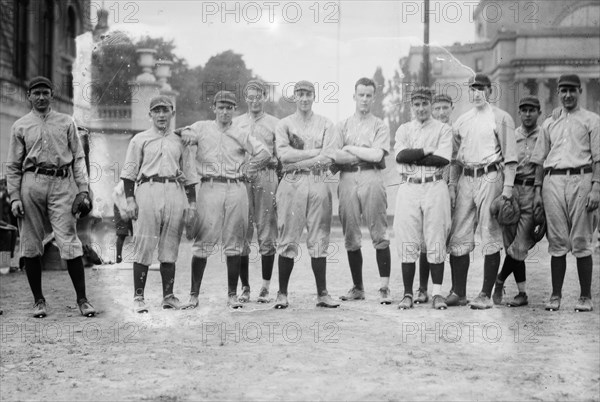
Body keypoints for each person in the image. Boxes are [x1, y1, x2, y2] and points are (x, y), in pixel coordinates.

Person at [6, 76, 95, 318]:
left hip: (61, 182)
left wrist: (83, 190)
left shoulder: (66, 122)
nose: (42, 97)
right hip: (31, 182)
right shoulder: (20, 126)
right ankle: (39, 301)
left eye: (46, 92)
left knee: (69, 240)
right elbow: (13, 165)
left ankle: (83, 300)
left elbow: (78, 158)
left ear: (52, 95)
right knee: (31, 243)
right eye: (37, 93)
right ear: (29, 97)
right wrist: (14, 196)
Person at [179, 90, 270, 309]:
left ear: (234, 110)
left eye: (229, 108)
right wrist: (185, 133)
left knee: (234, 243)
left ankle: (231, 294)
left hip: (236, 186)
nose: (225, 112)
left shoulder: (240, 132)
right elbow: (180, 133)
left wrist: (251, 167)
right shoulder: (201, 127)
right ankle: (194, 295)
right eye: (221, 107)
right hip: (210, 187)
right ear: (214, 108)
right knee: (203, 241)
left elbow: (264, 152)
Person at [121, 95, 198, 313]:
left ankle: (168, 296)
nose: (162, 115)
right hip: (148, 188)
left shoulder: (179, 141)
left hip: (174, 189)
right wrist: (129, 199)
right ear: (150, 114)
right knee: (144, 244)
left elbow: (190, 176)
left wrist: (192, 204)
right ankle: (138, 298)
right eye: (157, 111)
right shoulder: (140, 139)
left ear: (172, 113)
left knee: (170, 246)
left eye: (165, 111)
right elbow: (129, 173)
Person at [447, 73, 518, 309]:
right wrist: (452, 186)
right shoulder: (462, 120)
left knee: (490, 233)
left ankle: (485, 294)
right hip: (467, 177)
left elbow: (510, 158)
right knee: (459, 234)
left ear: (489, 91)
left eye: (481, 89)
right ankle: (459, 292)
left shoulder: (501, 118)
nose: (476, 93)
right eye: (473, 89)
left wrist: (507, 189)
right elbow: (454, 159)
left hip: (491, 175)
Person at [531, 74, 599, 312]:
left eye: (572, 90)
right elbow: (539, 161)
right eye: (563, 91)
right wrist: (538, 191)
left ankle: (585, 297)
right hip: (552, 181)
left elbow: (598, 158)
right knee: (557, 240)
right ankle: (556, 295)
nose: (568, 95)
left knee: (581, 240)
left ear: (579, 91)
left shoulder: (592, 120)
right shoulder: (550, 123)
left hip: (581, 179)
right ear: (558, 93)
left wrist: (596, 187)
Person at [273, 80, 339, 309]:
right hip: (292, 182)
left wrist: (300, 157)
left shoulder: (326, 124)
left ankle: (322, 293)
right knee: (288, 236)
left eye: (308, 94)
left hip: (318, 179)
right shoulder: (284, 124)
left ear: (314, 96)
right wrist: (313, 153)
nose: (304, 98)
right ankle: (282, 293)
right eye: (300, 94)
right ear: (295, 97)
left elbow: (329, 157)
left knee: (319, 237)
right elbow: (283, 156)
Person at [331, 77, 392, 304]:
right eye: (361, 95)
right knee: (351, 234)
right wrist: (361, 152)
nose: (364, 99)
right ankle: (358, 287)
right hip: (347, 177)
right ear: (354, 96)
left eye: (369, 95)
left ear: (373, 98)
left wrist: (351, 149)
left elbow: (377, 156)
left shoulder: (380, 125)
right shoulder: (343, 125)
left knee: (379, 232)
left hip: (371, 176)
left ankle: (384, 287)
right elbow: (336, 155)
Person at [393, 87, 453, 310]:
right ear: (411, 107)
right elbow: (400, 156)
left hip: (435, 185)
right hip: (409, 187)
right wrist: (427, 150)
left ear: (431, 104)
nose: (421, 108)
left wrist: (415, 155)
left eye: (425, 103)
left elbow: (442, 160)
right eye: (416, 104)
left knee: (435, 238)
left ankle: (437, 293)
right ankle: (408, 293)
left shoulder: (443, 129)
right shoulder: (403, 129)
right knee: (407, 239)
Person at [491, 96, 544, 307]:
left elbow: (545, 166)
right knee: (511, 244)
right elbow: (503, 164)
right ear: (519, 113)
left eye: (532, 110)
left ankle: (499, 280)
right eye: (524, 110)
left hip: (533, 191)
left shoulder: (544, 135)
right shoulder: (512, 136)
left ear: (539, 112)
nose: (528, 114)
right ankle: (522, 293)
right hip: (513, 190)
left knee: (520, 244)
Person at [234, 80, 280, 303]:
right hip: (242, 178)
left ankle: (265, 287)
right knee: (242, 231)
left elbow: (281, 156)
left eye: (258, 96)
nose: (254, 101)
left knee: (266, 230)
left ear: (264, 97)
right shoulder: (236, 123)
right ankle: (245, 287)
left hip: (266, 176)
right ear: (246, 98)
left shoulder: (275, 123)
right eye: (250, 97)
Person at [416, 93, 455, 304]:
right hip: (431, 188)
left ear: (451, 108)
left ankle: (456, 289)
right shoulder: (429, 132)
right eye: (437, 108)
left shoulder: (454, 133)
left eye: (445, 108)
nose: (441, 112)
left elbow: (457, 162)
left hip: (451, 189)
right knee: (426, 240)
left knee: (451, 240)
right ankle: (423, 288)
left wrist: (452, 187)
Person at [112, 180, 133, 264]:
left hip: (131, 208)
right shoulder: (124, 182)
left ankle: (138, 259)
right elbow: (114, 195)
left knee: (137, 233)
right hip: (120, 208)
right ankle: (118, 259)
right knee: (122, 234)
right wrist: (121, 211)